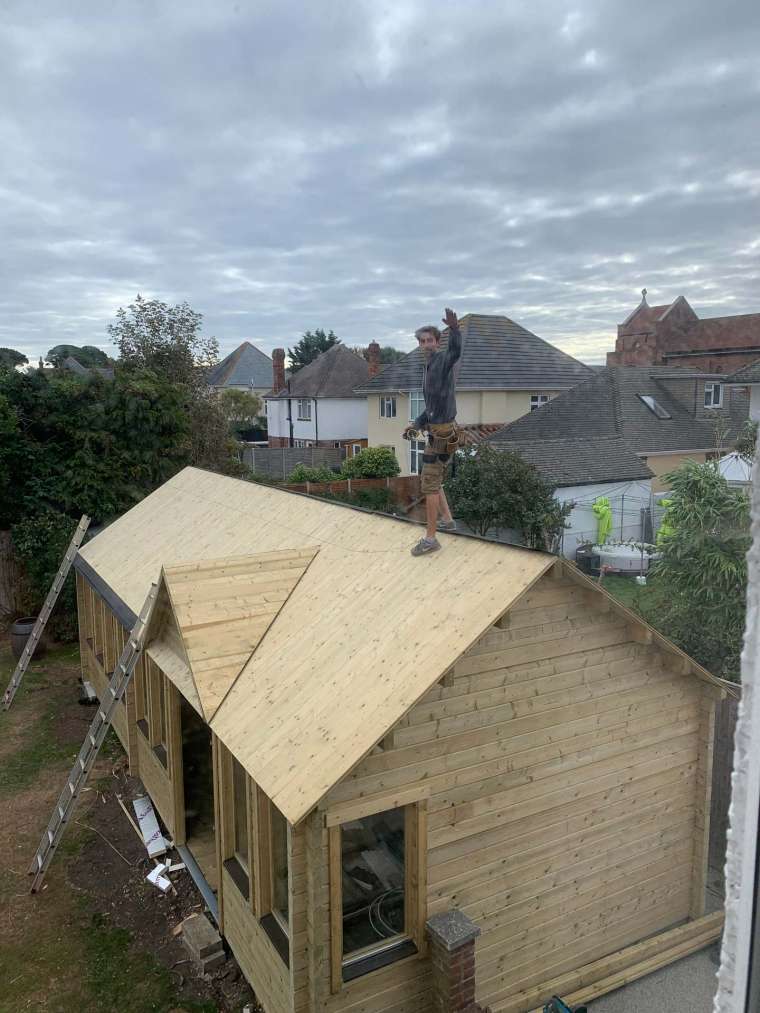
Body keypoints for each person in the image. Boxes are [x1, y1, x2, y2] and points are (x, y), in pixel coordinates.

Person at [403, 307, 462, 556]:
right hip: (439, 432)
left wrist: (456, 329)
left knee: (429, 483)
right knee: (434, 479)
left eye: (430, 340)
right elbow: (431, 407)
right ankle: (448, 521)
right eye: (422, 341)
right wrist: (416, 424)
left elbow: (455, 352)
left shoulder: (441, 361)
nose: (426, 344)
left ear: (437, 342)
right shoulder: (427, 368)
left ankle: (431, 539)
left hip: (444, 434)